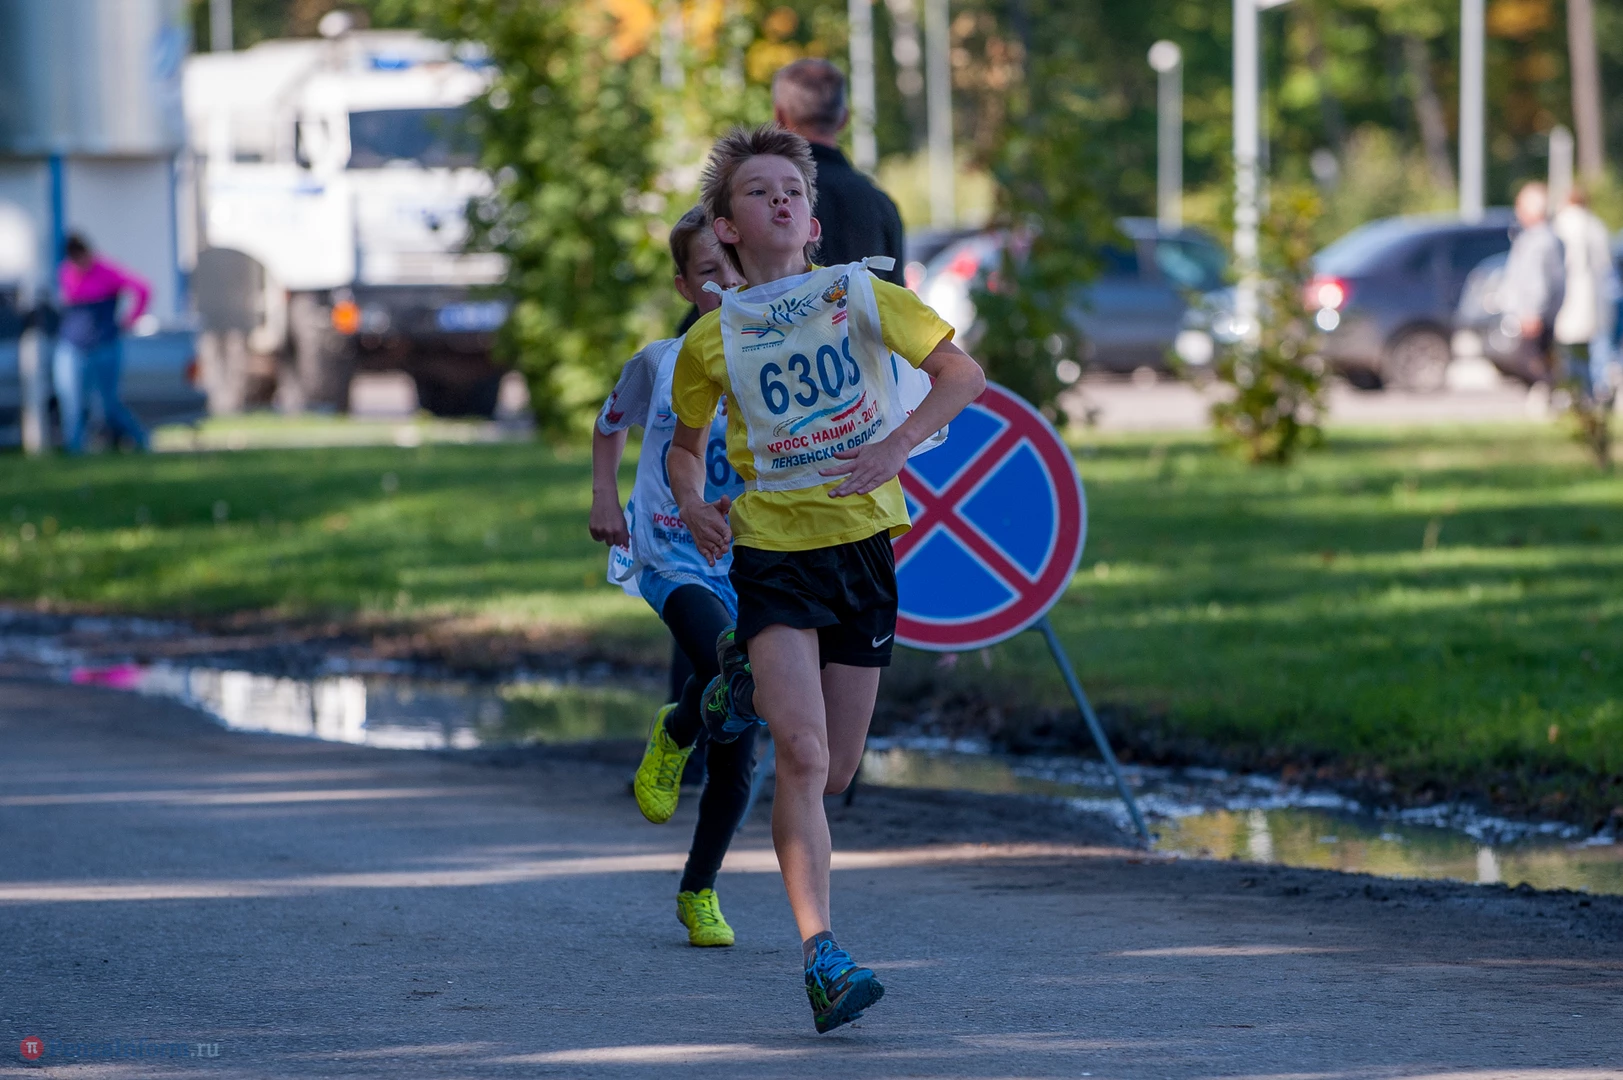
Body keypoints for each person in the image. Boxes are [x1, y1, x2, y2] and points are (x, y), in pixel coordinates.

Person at [667, 125, 985, 1033]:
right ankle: (822, 956)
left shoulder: (860, 295)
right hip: (772, 551)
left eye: (792, 192)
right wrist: (692, 503)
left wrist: (894, 445)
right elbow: (684, 449)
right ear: (726, 228)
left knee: (836, 769)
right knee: (802, 756)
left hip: (863, 548)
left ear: (811, 223)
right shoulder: (710, 339)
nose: (779, 200)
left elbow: (959, 375)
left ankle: (735, 689)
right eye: (757, 192)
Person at [588, 206, 755, 948]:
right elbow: (608, 423)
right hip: (669, 552)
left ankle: (699, 890)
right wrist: (603, 495)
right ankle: (679, 727)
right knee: (729, 664)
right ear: (685, 286)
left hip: (753, 560)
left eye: (736, 268)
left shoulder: (774, 359)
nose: (726, 284)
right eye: (709, 273)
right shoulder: (661, 362)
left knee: (743, 726)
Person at [772, 59, 907, 288]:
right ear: (844, 118)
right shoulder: (880, 203)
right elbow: (897, 298)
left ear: (780, 117)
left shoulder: (763, 198)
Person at [55, 233, 152, 454]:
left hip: (104, 345)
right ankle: (75, 452)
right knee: (72, 403)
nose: (78, 263)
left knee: (108, 405)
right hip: (72, 345)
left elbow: (143, 289)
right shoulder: (66, 273)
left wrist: (131, 319)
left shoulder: (106, 271)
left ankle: (141, 441)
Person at [1552, 185, 1618, 403]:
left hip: (1571, 295)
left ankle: (1575, 391)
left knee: (1571, 349)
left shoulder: (1564, 224)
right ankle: (1601, 387)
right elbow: (1606, 263)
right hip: (1597, 296)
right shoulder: (1596, 225)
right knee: (1599, 346)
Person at [1500, 182, 1566, 384]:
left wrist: (1532, 311)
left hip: (1534, 314)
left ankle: (1554, 390)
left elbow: (1538, 281)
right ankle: (1552, 390)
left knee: (1530, 361)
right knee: (1539, 359)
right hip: (1538, 312)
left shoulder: (1539, 241)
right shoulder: (1544, 237)